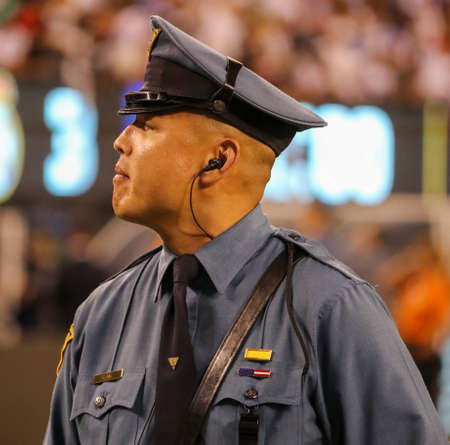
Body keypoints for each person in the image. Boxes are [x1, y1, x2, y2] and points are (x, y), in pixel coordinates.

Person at [44, 15, 448, 445]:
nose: (121, 141)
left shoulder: (329, 308)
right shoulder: (101, 314)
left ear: (220, 157)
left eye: (148, 126)